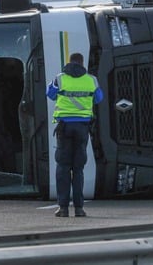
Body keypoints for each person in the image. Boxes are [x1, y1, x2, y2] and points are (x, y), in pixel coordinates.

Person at [47, 52, 103, 218]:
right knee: (78, 169)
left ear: (69, 62)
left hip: (64, 128)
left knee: (63, 167)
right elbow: (99, 98)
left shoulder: (60, 78)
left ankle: (63, 208)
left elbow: (50, 94)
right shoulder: (91, 80)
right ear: (82, 63)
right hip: (82, 128)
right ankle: (79, 209)